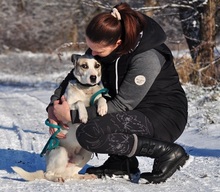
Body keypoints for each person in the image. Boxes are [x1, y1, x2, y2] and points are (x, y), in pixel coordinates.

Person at [47, 2, 189, 184]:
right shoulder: (103, 45)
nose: (92, 53)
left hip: (163, 116)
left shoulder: (147, 57)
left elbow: (122, 105)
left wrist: (71, 115)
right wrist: (53, 107)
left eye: (97, 51)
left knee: (88, 132)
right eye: (90, 48)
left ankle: (169, 153)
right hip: (131, 112)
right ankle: (121, 162)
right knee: (95, 121)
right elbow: (72, 77)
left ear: (118, 43)